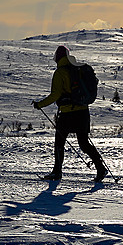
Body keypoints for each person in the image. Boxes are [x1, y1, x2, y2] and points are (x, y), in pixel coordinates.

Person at [33, 45, 107, 182]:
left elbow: (55, 95)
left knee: (59, 143)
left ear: (58, 57)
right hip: (83, 112)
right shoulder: (77, 69)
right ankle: (100, 168)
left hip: (67, 113)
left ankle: (57, 172)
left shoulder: (60, 72)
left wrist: (39, 104)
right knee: (84, 143)